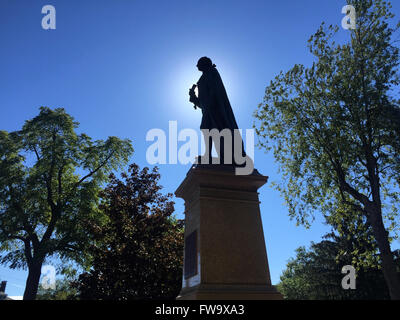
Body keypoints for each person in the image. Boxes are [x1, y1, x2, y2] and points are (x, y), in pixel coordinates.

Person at [189, 57, 242, 164]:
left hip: (216, 110)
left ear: (205, 64)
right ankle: (208, 155)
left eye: (198, 64)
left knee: (208, 129)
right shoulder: (203, 77)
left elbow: (216, 91)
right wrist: (193, 97)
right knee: (206, 129)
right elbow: (202, 103)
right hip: (209, 109)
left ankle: (210, 155)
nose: (197, 66)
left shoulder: (212, 73)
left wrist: (209, 105)